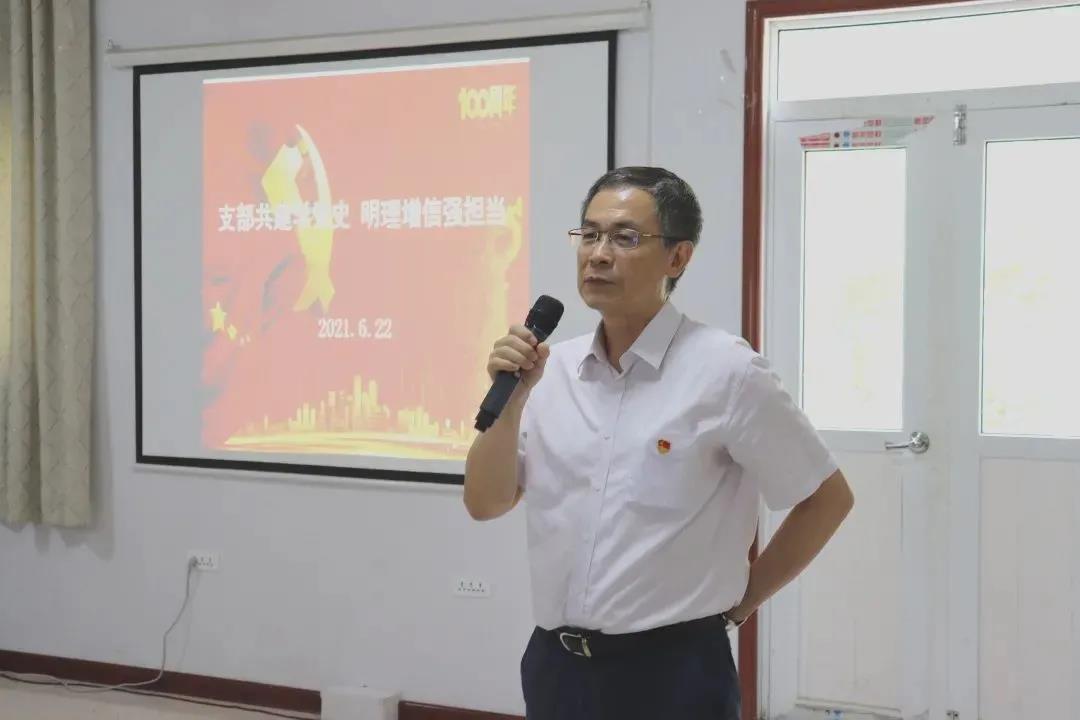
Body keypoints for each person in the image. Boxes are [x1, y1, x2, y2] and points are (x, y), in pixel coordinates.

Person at [463, 166, 854, 720]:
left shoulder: (726, 372)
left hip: (674, 673)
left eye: (625, 237)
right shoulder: (550, 372)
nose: (599, 254)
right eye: (589, 234)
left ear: (678, 257)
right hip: (556, 666)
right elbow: (485, 502)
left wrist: (740, 605)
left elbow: (827, 498)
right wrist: (510, 402)